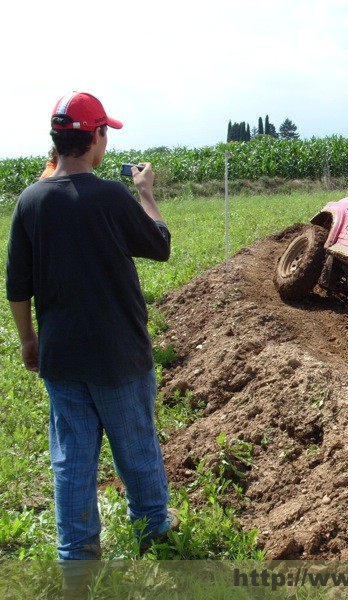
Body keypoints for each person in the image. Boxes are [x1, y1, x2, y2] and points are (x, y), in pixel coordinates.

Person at [5, 92, 178, 571]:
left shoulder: (30, 202)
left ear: (57, 142)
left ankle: (77, 560)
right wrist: (144, 191)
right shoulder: (111, 196)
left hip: (62, 358)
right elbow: (160, 245)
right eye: (105, 132)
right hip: (119, 355)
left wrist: (28, 340)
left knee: (72, 463)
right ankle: (153, 530)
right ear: (96, 137)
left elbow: (17, 286)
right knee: (137, 448)